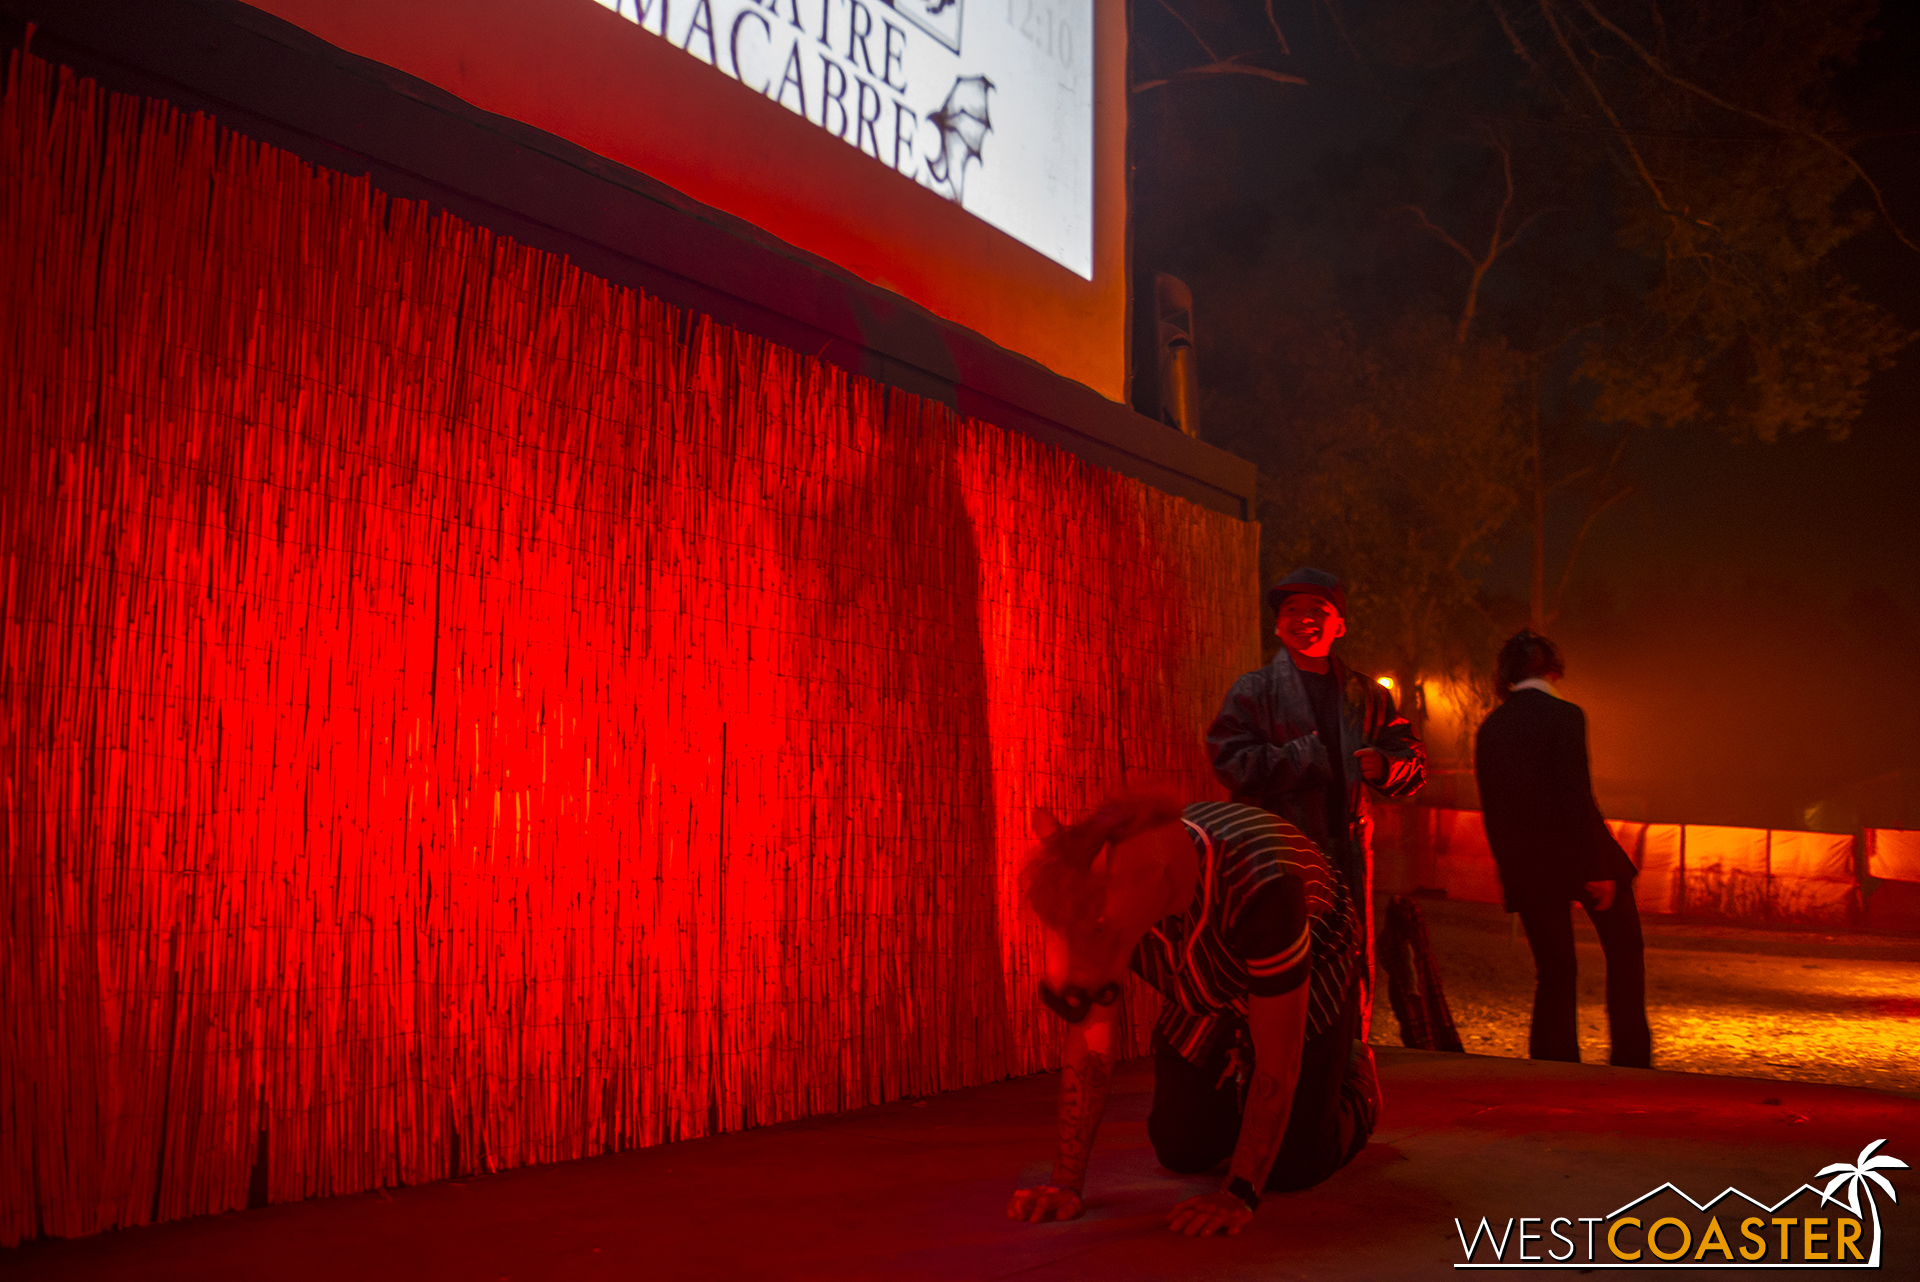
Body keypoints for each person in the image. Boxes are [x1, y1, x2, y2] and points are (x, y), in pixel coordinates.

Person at [1006, 797, 1378, 1236]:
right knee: (1182, 1148)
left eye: (1098, 931)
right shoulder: (1116, 899)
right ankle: (1238, 1076)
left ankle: (1355, 1074)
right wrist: (1066, 1182)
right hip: (1207, 977)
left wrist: (1239, 1192)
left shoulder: (1261, 882)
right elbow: (1092, 1041)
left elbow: (1280, 1060)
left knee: (1293, 1165)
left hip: (1307, 969)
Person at [1205, 568, 1425, 1030]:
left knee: (1349, 966)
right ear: (1277, 626)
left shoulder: (1366, 696)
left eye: (1317, 610)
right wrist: (1300, 758)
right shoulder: (1254, 690)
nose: (1304, 619)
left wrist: (1388, 767)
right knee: (1279, 963)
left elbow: (1413, 761)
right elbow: (1229, 760)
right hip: (1277, 856)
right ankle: (1273, 1065)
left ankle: (1348, 1061)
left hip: (1349, 857)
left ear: (1339, 625)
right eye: (1291, 610)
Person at [1474, 630, 1650, 1068]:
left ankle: (1553, 1065)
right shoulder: (1566, 716)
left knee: (1554, 971)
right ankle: (1630, 1057)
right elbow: (1575, 794)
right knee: (1625, 953)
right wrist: (1597, 867)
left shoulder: (1491, 728)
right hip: (1581, 853)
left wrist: (1514, 877)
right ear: (1554, 670)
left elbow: (1495, 810)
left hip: (1530, 865)